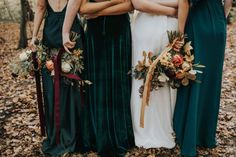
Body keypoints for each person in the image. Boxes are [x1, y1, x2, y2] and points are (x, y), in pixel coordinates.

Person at [63, 0, 134, 156]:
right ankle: (96, 135)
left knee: (118, 82)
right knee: (98, 83)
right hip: (95, 34)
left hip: (120, 31)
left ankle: (121, 134)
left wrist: (99, 12)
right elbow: (83, 9)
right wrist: (114, 2)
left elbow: (129, 5)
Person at [174, 0, 232, 156]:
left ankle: (189, 135)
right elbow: (229, 1)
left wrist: (180, 32)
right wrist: (221, 16)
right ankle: (206, 135)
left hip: (198, 23)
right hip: (218, 23)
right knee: (211, 80)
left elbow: (185, 2)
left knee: (194, 77)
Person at [30, 0, 85, 155]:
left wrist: (34, 36)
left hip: (51, 31)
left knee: (52, 86)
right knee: (73, 85)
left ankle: (57, 137)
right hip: (71, 32)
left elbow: (40, 7)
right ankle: (75, 135)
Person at [130, 0, 178, 149]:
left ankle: (167, 125)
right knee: (142, 77)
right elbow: (137, 3)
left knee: (168, 78)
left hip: (170, 28)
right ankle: (143, 126)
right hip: (147, 27)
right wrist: (170, 11)